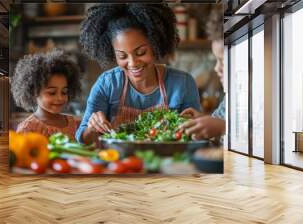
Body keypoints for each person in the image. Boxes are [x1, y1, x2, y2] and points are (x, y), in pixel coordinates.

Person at [76, 3, 201, 144]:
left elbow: (196, 139)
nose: (133, 63)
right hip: (120, 162)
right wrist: (92, 128)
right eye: (122, 56)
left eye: (141, 52)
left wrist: (195, 126)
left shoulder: (183, 83)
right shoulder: (107, 84)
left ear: (155, 45)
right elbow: (83, 139)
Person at [11, 48, 82, 140]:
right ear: (33, 92)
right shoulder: (28, 128)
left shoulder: (74, 123)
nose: (60, 98)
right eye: (52, 93)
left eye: (64, 92)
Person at [180, 6, 225, 141]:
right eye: (217, 60)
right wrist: (202, 120)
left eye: (223, 61)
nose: (217, 68)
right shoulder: (231, 98)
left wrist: (223, 128)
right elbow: (217, 120)